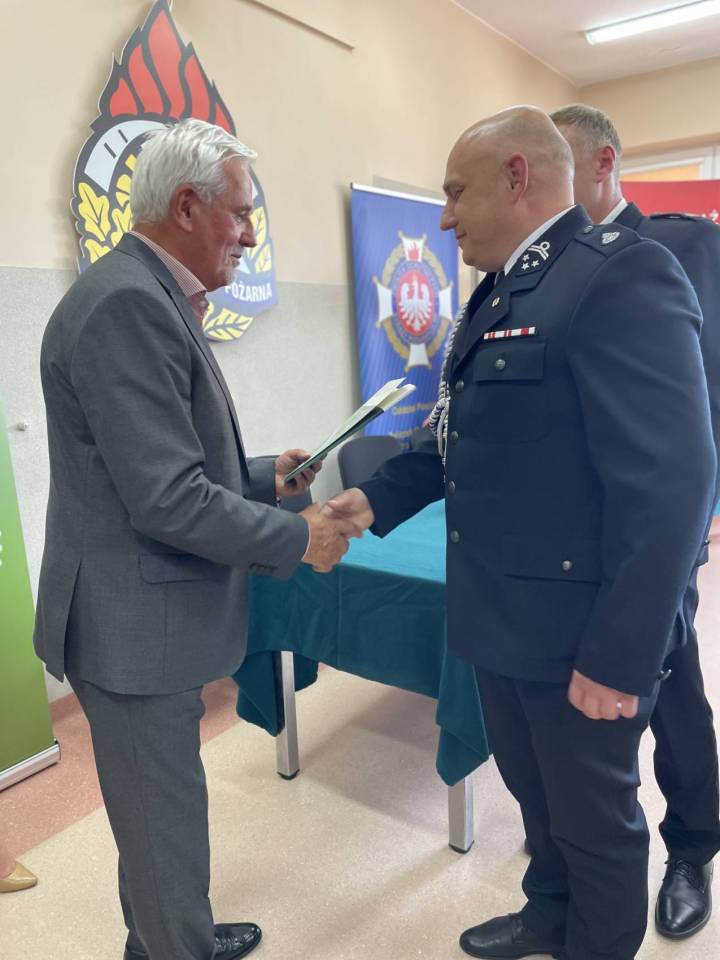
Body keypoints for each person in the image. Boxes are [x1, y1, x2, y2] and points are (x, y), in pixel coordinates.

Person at [326, 106, 716, 960]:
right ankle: (548, 915)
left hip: (577, 637)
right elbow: (458, 438)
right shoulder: (500, 292)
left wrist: (618, 657)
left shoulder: (620, 275)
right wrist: (372, 502)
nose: (443, 218)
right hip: (500, 621)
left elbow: (674, 484)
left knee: (596, 827)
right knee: (540, 805)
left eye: (454, 193)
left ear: (516, 177)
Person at [34, 118, 355, 960]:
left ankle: (165, 937)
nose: (249, 234)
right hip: (131, 629)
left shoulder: (145, 292)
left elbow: (158, 464)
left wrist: (264, 478)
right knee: (162, 825)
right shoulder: (128, 304)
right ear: (186, 206)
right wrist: (297, 537)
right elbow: (168, 499)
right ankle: (176, 943)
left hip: (143, 617)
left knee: (155, 823)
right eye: (241, 213)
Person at [551, 102, 720, 941]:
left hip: (655, 523)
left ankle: (691, 846)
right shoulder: (544, 266)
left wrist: (701, 508)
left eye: (559, 168)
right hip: (566, 537)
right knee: (578, 709)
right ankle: (580, 856)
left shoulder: (684, 249)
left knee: (671, 686)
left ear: (603, 164)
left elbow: (705, 390)